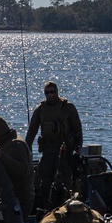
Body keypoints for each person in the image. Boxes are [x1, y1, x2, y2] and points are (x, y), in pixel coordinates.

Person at [25, 82, 83, 213]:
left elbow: (77, 127)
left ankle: (66, 209)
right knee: (45, 180)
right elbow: (32, 131)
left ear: (57, 92)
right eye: (47, 92)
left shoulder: (67, 107)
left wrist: (78, 146)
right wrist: (26, 148)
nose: (50, 95)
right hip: (48, 149)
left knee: (64, 180)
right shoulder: (40, 109)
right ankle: (47, 208)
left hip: (64, 149)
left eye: (52, 92)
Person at [0, 115, 35, 217]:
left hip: (20, 203)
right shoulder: (7, 142)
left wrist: (2, 156)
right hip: (13, 199)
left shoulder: (15, 145)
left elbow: (23, 171)